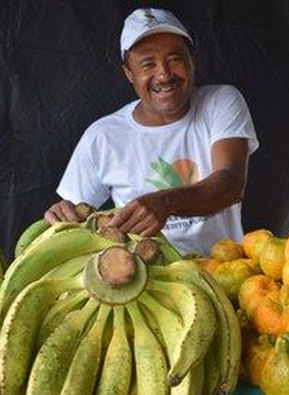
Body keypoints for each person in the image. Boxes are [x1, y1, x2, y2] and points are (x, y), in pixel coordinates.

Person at [44, 8, 259, 255]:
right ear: (129, 74)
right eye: (148, 64)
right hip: (144, 283)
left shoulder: (220, 102)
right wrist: (63, 213)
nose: (164, 74)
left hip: (223, 269)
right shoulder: (103, 136)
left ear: (192, 61)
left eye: (175, 59)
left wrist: (165, 203)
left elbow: (230, 184)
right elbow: (75, 215)